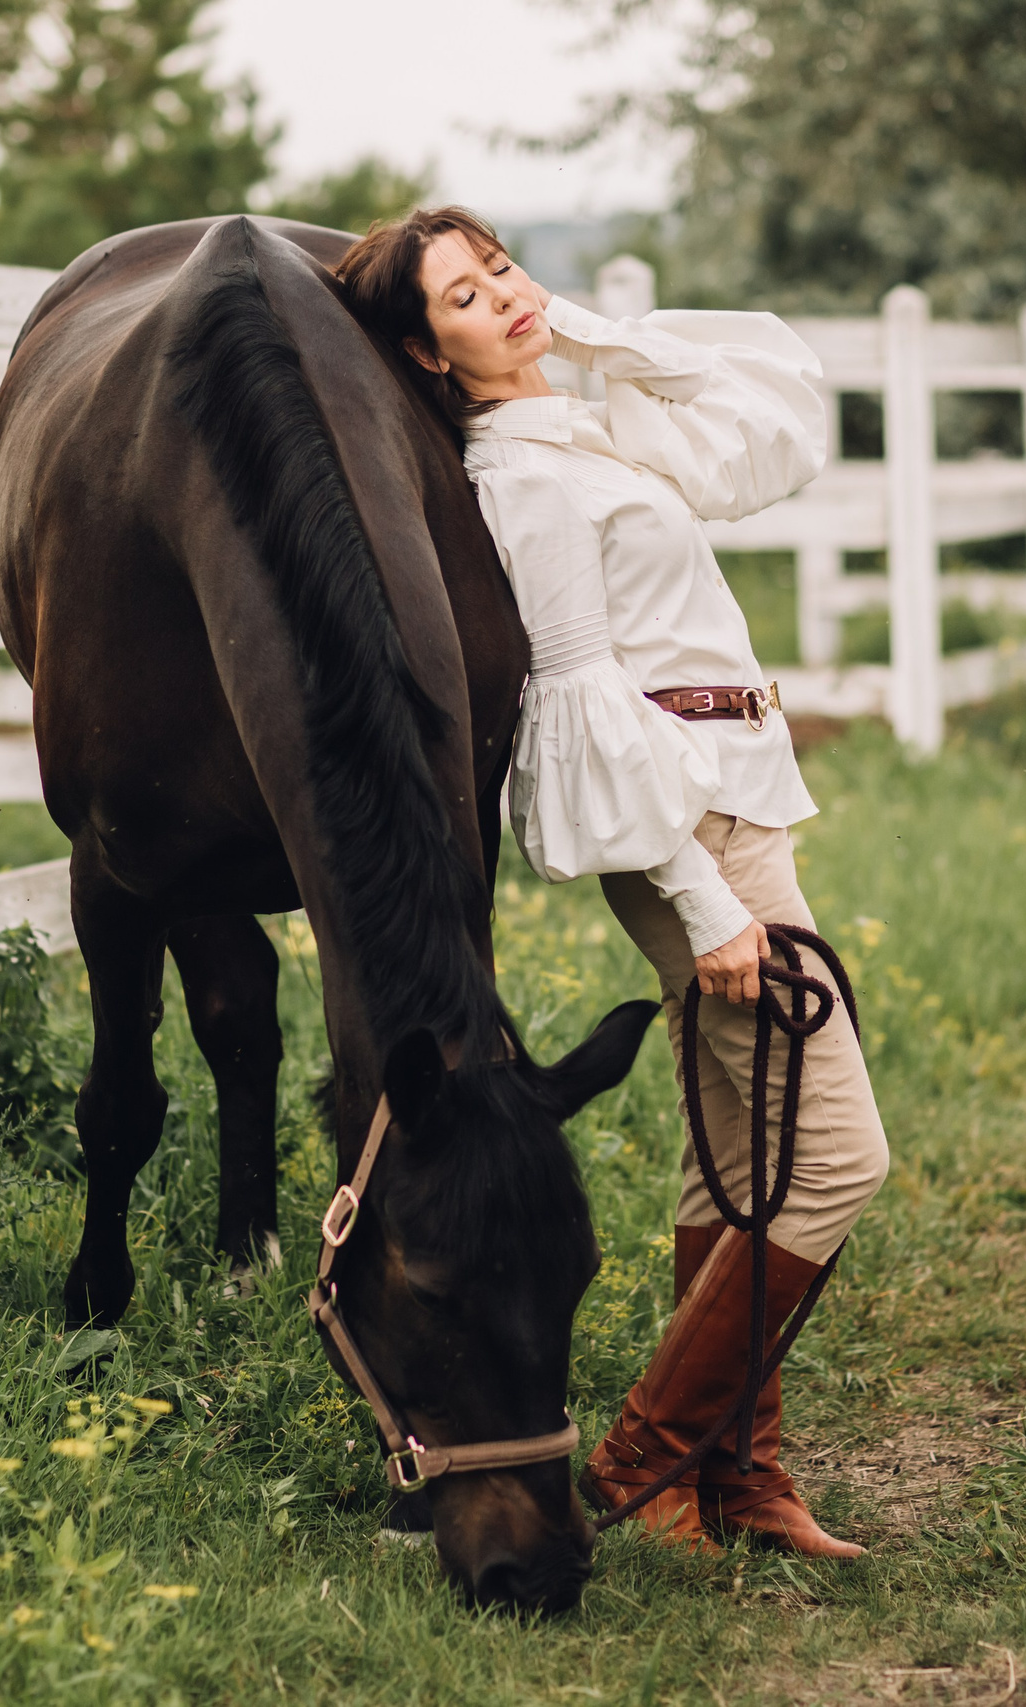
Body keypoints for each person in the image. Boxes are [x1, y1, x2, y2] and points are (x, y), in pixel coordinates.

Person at [335, 207, 890, 1558]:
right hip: (687, 824)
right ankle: (648, 1454)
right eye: (465, 299)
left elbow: (762, 426)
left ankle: (734, 1489)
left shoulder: (578, 427)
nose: (507, 301)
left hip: (726, 791)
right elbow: (577, 696)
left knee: (742, 1159)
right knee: (834, 1165)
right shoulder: (522, 482)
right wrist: (704, 902)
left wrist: (581, 331)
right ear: (427, 349)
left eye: (504, 271)